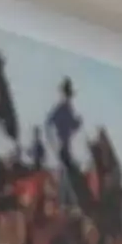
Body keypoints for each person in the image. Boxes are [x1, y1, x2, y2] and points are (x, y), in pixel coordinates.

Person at [45, 77, 85, 212]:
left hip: (66, 145)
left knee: (67, 170)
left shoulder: (67, 108)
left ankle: (67, 201)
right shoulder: (61, 108)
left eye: (68, 94)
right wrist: (54, 142)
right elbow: (49, 123)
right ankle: (65, 202)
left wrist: (77, 124)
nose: (68, 96)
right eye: (67, 93)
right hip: (62, 144)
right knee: (67, 171)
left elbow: (72, 126)